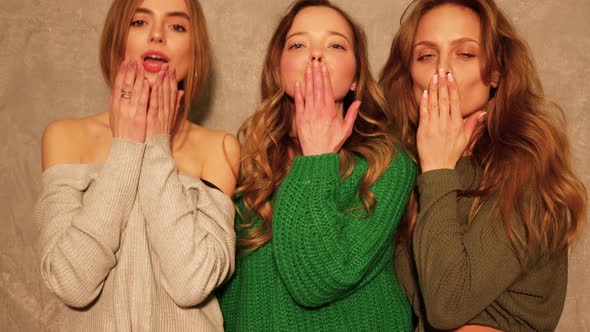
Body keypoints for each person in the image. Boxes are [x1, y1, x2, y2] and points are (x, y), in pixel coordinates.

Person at [379, 0, 587, 331]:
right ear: (408, 75)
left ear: (495, 72)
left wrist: (438, 170)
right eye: (426, 55)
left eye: (465, 54)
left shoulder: (526, 167)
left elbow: (449, 305)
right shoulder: (398, 168)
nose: (441, 70)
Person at [33, 0, 240, 330]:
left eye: (177, 26)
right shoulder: (64, 137)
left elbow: (192, 282)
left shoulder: (219, 148)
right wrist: (126, 147)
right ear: (117, 40)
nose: (157, 35)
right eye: (139, 22)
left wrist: (156, 146)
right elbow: (72, 283)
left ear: (195, 52)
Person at [217, 0, 416, 330]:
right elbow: (233, 302)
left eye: (336, 44)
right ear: (278, 69)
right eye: (298, 44)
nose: (316, 55)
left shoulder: (388, 165)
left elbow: (319, 279)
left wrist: (316, 161)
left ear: (355, 78)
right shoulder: (246, 168)